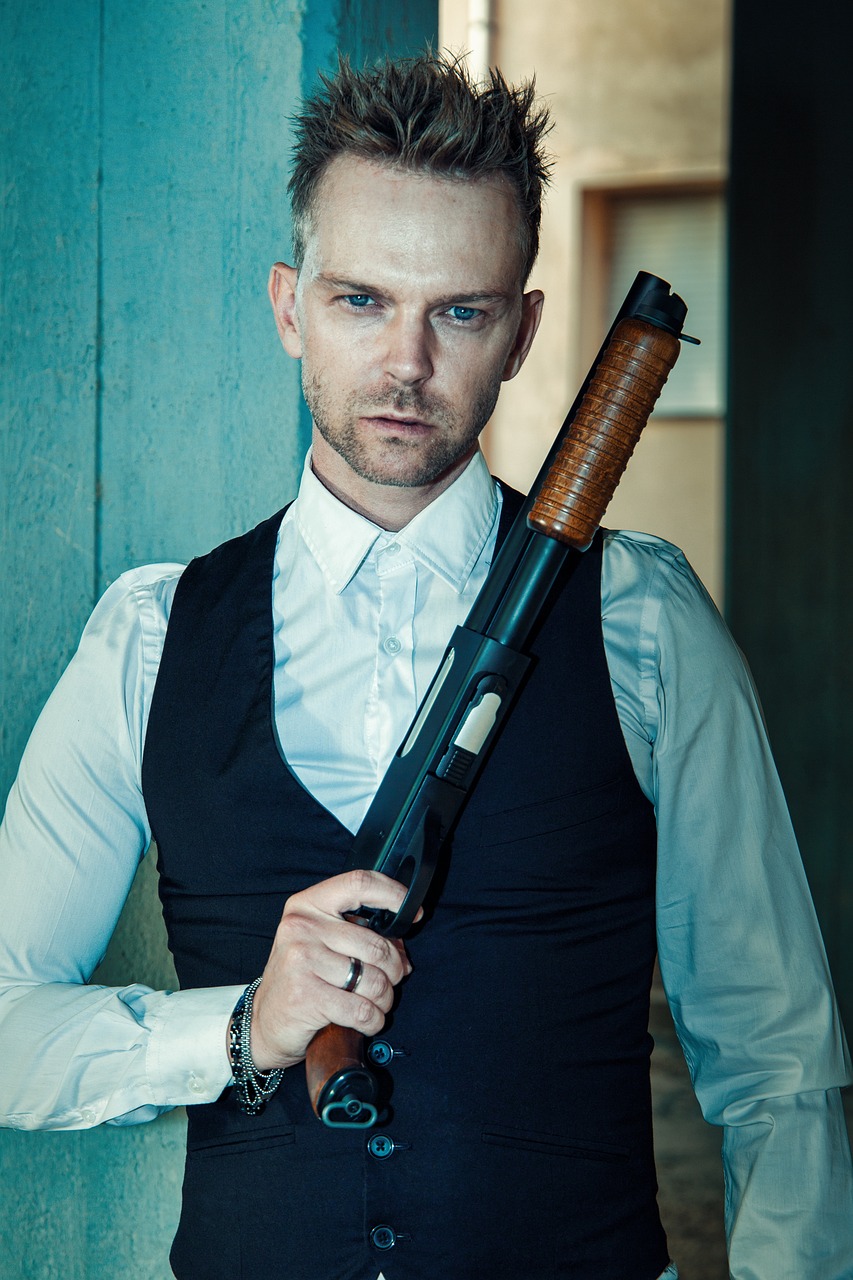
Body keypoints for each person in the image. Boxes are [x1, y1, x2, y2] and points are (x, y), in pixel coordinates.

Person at [0, 50, 851, 1280]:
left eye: (459, 311)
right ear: (289, 307)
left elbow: (778, 1063)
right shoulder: (149, 634)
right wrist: (240, 1028)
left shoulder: (643, 619)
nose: (405, 363)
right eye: (361, 300)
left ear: (522, 332)